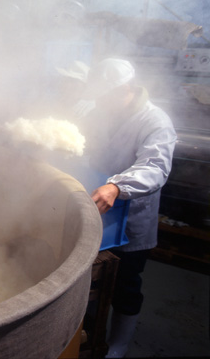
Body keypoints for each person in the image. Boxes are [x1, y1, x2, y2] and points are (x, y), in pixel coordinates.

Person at [82, 58, 176, 358]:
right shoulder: (99, 112)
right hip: (97, 210)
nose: (101, 102)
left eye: (107, 95)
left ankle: (119, 344)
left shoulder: (154, 121)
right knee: (89, 279)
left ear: (128, 89)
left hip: (132, 216)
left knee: (126, 285)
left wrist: (117, 186)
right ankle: (89, 330)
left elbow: (155, 168)